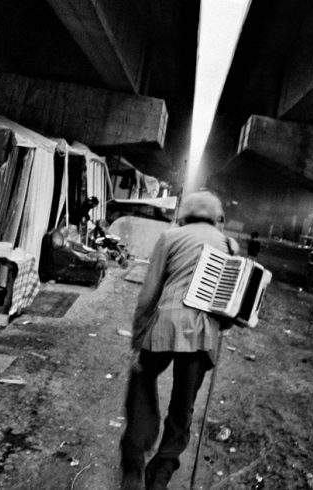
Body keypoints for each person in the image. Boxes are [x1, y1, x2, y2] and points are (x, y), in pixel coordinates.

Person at [120, 190, 235, 489]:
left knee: (142, 381)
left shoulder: (170, 237)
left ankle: (134, 462)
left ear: (185, 214)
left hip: (164, 325)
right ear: (216, 217)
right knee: (183, 406)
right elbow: (231, 305)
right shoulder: (229, 245)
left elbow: (149, 294)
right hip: (201, 335)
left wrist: (137, 339)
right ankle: (160, 474)